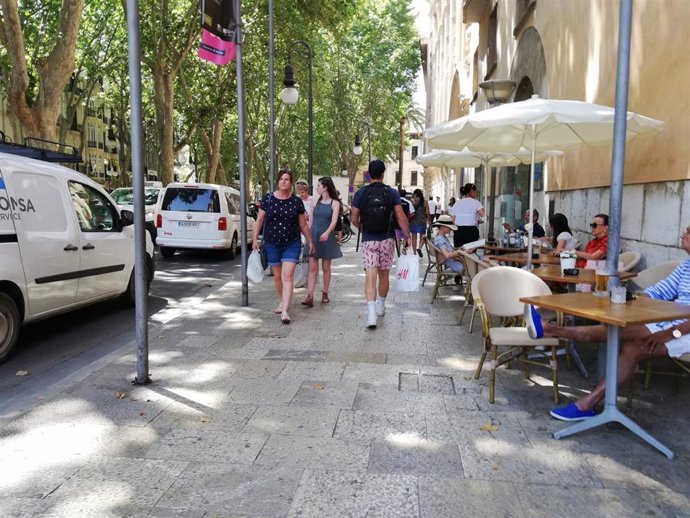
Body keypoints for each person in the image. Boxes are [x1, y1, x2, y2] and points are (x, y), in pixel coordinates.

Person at [540, 224, 690, 421]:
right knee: (615, 329)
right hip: (667, 322)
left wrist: (670, 334)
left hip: (682, 332)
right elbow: (659, 290)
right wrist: (636, 298)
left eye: (688, 231)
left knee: (633, 349)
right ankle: (553, 330)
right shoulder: (687, 265)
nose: (682, 234)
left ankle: (588, 403)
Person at [351, 160, 411, 329]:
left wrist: (363, 229)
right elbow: (400, 216)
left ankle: (371, 314)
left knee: (370, 276)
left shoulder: (361, 193)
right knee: (384, 275)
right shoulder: (391, 193)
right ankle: (381, 305)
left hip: (369, 239)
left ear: (368, 174)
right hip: (387, 239)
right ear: (383, 174)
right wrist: (407, 235)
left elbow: (354, 218)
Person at [252, 169, 314, 325]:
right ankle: (282, 301)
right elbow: (259, 220)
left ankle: (285, 310)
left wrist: (310, 241)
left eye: (287, 179)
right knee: (278, 277)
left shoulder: (296, 201)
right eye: (281, 179)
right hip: (272, 243)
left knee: (287, 276)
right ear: (278, 181)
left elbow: (303, 224)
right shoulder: (268, 199)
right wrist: (254, 239)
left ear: (291, 182)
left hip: (291, 243)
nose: (284, 181)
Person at [302, 177, 343, 307]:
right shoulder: (315, 202)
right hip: (314, 235)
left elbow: (334, 221)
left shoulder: (335, 203)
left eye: (318, 185)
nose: (316, 188)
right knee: (312, 268)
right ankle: (310, 295)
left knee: (326, 267)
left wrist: (327, 232)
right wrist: (308, 237)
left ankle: (325, 293)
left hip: (327, 237)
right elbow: (311, 222)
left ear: (325, 187)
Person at [447, 183, 485, 248]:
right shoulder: (476, 202)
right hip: (471, 231)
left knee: (459, 252)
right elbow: (484, 216)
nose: (476, 193)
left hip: (458, 231)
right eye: (475, 191)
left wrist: (455, 231)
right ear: (472, 191)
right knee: (471, 253)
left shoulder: (457, 204)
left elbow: (453, 220)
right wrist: (478, 221)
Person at [294, 179, 313, 287]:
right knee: (300, 257)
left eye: (303, 192)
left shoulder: (312, 200)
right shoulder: (295, 200)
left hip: (308, 231)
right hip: (297, 232)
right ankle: (301, 278)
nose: (301, 194)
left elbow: (313, 217)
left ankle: (306, 278)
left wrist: (307, 216)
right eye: (299, 192)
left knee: (306, 256)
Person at [410, 189, 430, 257]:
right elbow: (427, 213)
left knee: (414, 237)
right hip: (422, 221)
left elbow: (411, 211)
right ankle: (419, 247)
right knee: (423, 237)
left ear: (415, 194)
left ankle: (414, 253)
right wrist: (428, 221)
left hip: (413, 221)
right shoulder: (425, 202)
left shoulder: (413, 201)